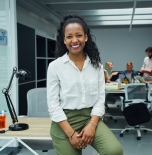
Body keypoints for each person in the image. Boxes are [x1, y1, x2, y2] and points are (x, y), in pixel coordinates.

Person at [47, 14, 123, 155]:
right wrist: (71, 134)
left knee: (114, 151)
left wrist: (92, 125)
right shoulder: (55, 67)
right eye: (69, 36)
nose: (74, 40)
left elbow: (100, 99)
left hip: (90, 117)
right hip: (64, 120)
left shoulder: (97, 67)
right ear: (64, 40)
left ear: (86, 37)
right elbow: (53, 105)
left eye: (79, 35)